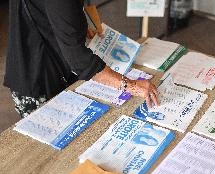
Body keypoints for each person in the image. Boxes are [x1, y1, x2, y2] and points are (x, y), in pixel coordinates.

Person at [4, 0, 159, 118]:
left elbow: (47, 11)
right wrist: (131, 85)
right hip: (39, 79)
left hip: (50, 60)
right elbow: (78, 59)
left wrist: (75, 28)